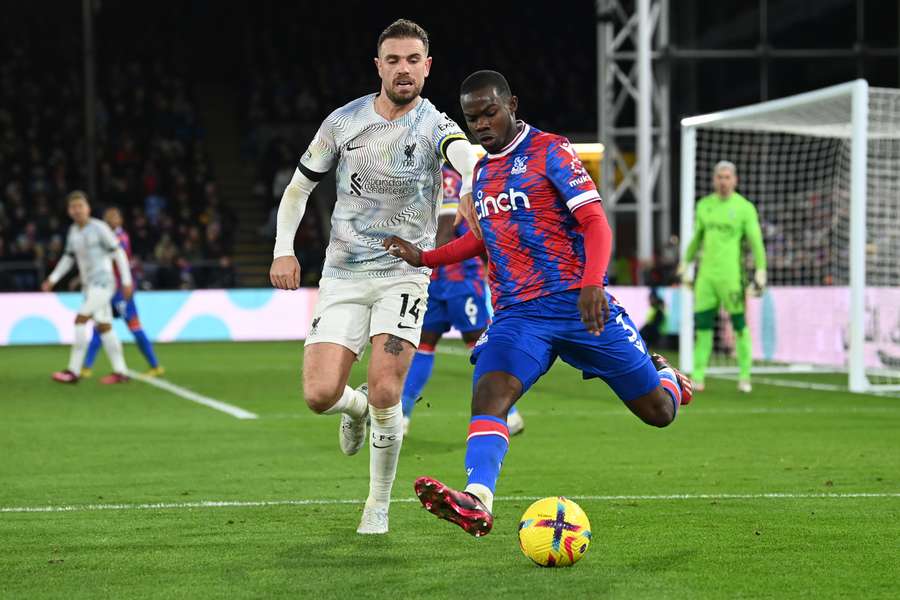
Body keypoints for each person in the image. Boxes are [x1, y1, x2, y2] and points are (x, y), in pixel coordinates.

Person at [384, 70, 693, 537]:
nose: (482, 125)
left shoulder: (551, 150)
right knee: (490, 391)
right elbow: (480, 240)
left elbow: (595, 223)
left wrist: (592, 283)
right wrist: (423, 256)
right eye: (472, 119)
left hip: (577, 304)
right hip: (518, 314)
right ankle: (478, 498)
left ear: (512, 105)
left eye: (490, 112)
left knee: (658, 413)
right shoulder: (482, 173)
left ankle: (666, 377)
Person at [268, 19, 480, 535]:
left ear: (427, 67)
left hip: (403, 277)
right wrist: (283, 250)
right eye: (393, 60)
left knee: (388, 390)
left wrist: (474, 182)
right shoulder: (343, 122)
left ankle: (377, 505)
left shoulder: (437, 125)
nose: (403, 69)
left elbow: (466, 155)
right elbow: (298, 190)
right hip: (341, 273)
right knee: (320, 395)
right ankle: (354, 408)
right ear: (379, 66)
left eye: (413, 60)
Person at [400, 163, 524, 436]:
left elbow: (446, 228)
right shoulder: (437, 178)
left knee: (453, 344)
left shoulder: (441, 179)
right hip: (447, 280)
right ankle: (508, 414)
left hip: (448, 278)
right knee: (441, 344)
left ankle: (404, 416)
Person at [678, 161, 767, 393]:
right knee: (703, 328)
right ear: (714, 179)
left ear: (735, 180)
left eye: (728, 177)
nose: (723, 181)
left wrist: (761, 269)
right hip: (706, 277)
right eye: (720, 177)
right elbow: (697, 238)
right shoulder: (704, 205)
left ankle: (745, 376)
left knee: (739, 325)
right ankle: (698, 377)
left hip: (732, 277)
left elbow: (755, 241)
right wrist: (685, 264)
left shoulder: (744, 207)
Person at [41, 191, 132, 384]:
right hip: (89, 286)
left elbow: (119, 253)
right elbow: (68, 258)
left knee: (80, 319)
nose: (77, 210)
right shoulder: (73, 232)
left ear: (88, 208)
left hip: (104, 283)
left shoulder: (100, 228)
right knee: (105, 326)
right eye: (73, 207)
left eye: (80, 206)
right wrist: (52, 278)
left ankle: (73, 371)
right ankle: (121, 372)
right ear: (68, 211)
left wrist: (126, 280)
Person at [81, 207, 163, 378]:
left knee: (134, 328)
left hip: (120, 292)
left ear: (120, 220)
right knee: (99, 328)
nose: (111, 219)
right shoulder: (105, 238)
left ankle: (155, 365)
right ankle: (86, 367)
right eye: (108, 217)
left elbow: (113, 256)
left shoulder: (121, 238)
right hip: (106, 290)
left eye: (115, 216)